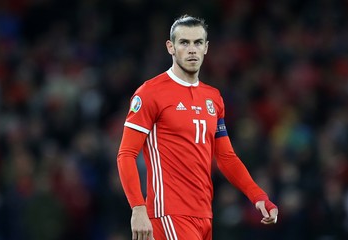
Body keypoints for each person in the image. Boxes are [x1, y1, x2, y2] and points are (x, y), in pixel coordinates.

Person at [117, 15, 278, 240]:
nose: (192, 49)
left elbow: (226, 157)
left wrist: (258, 196)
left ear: (206, 48)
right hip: (169, 215)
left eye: (198, 43)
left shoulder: (213, 98)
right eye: (184, 43)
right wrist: (138, 208)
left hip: (204, 215)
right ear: (170, 47)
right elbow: (126, 154)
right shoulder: (150, 93)